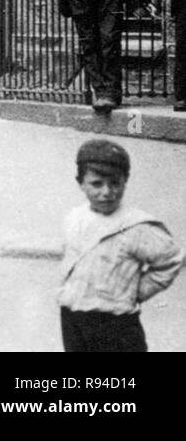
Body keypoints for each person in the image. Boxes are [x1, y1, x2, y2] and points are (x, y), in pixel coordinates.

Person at [58, 138, 183, 352]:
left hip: (115, 322)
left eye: (115, 183)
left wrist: (136, 292)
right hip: (73, 316)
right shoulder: (74, 218)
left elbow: (171, 259)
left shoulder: (136, 226)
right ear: (81, 183)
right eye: (96, 184)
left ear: (125, 181)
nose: (106, 192)